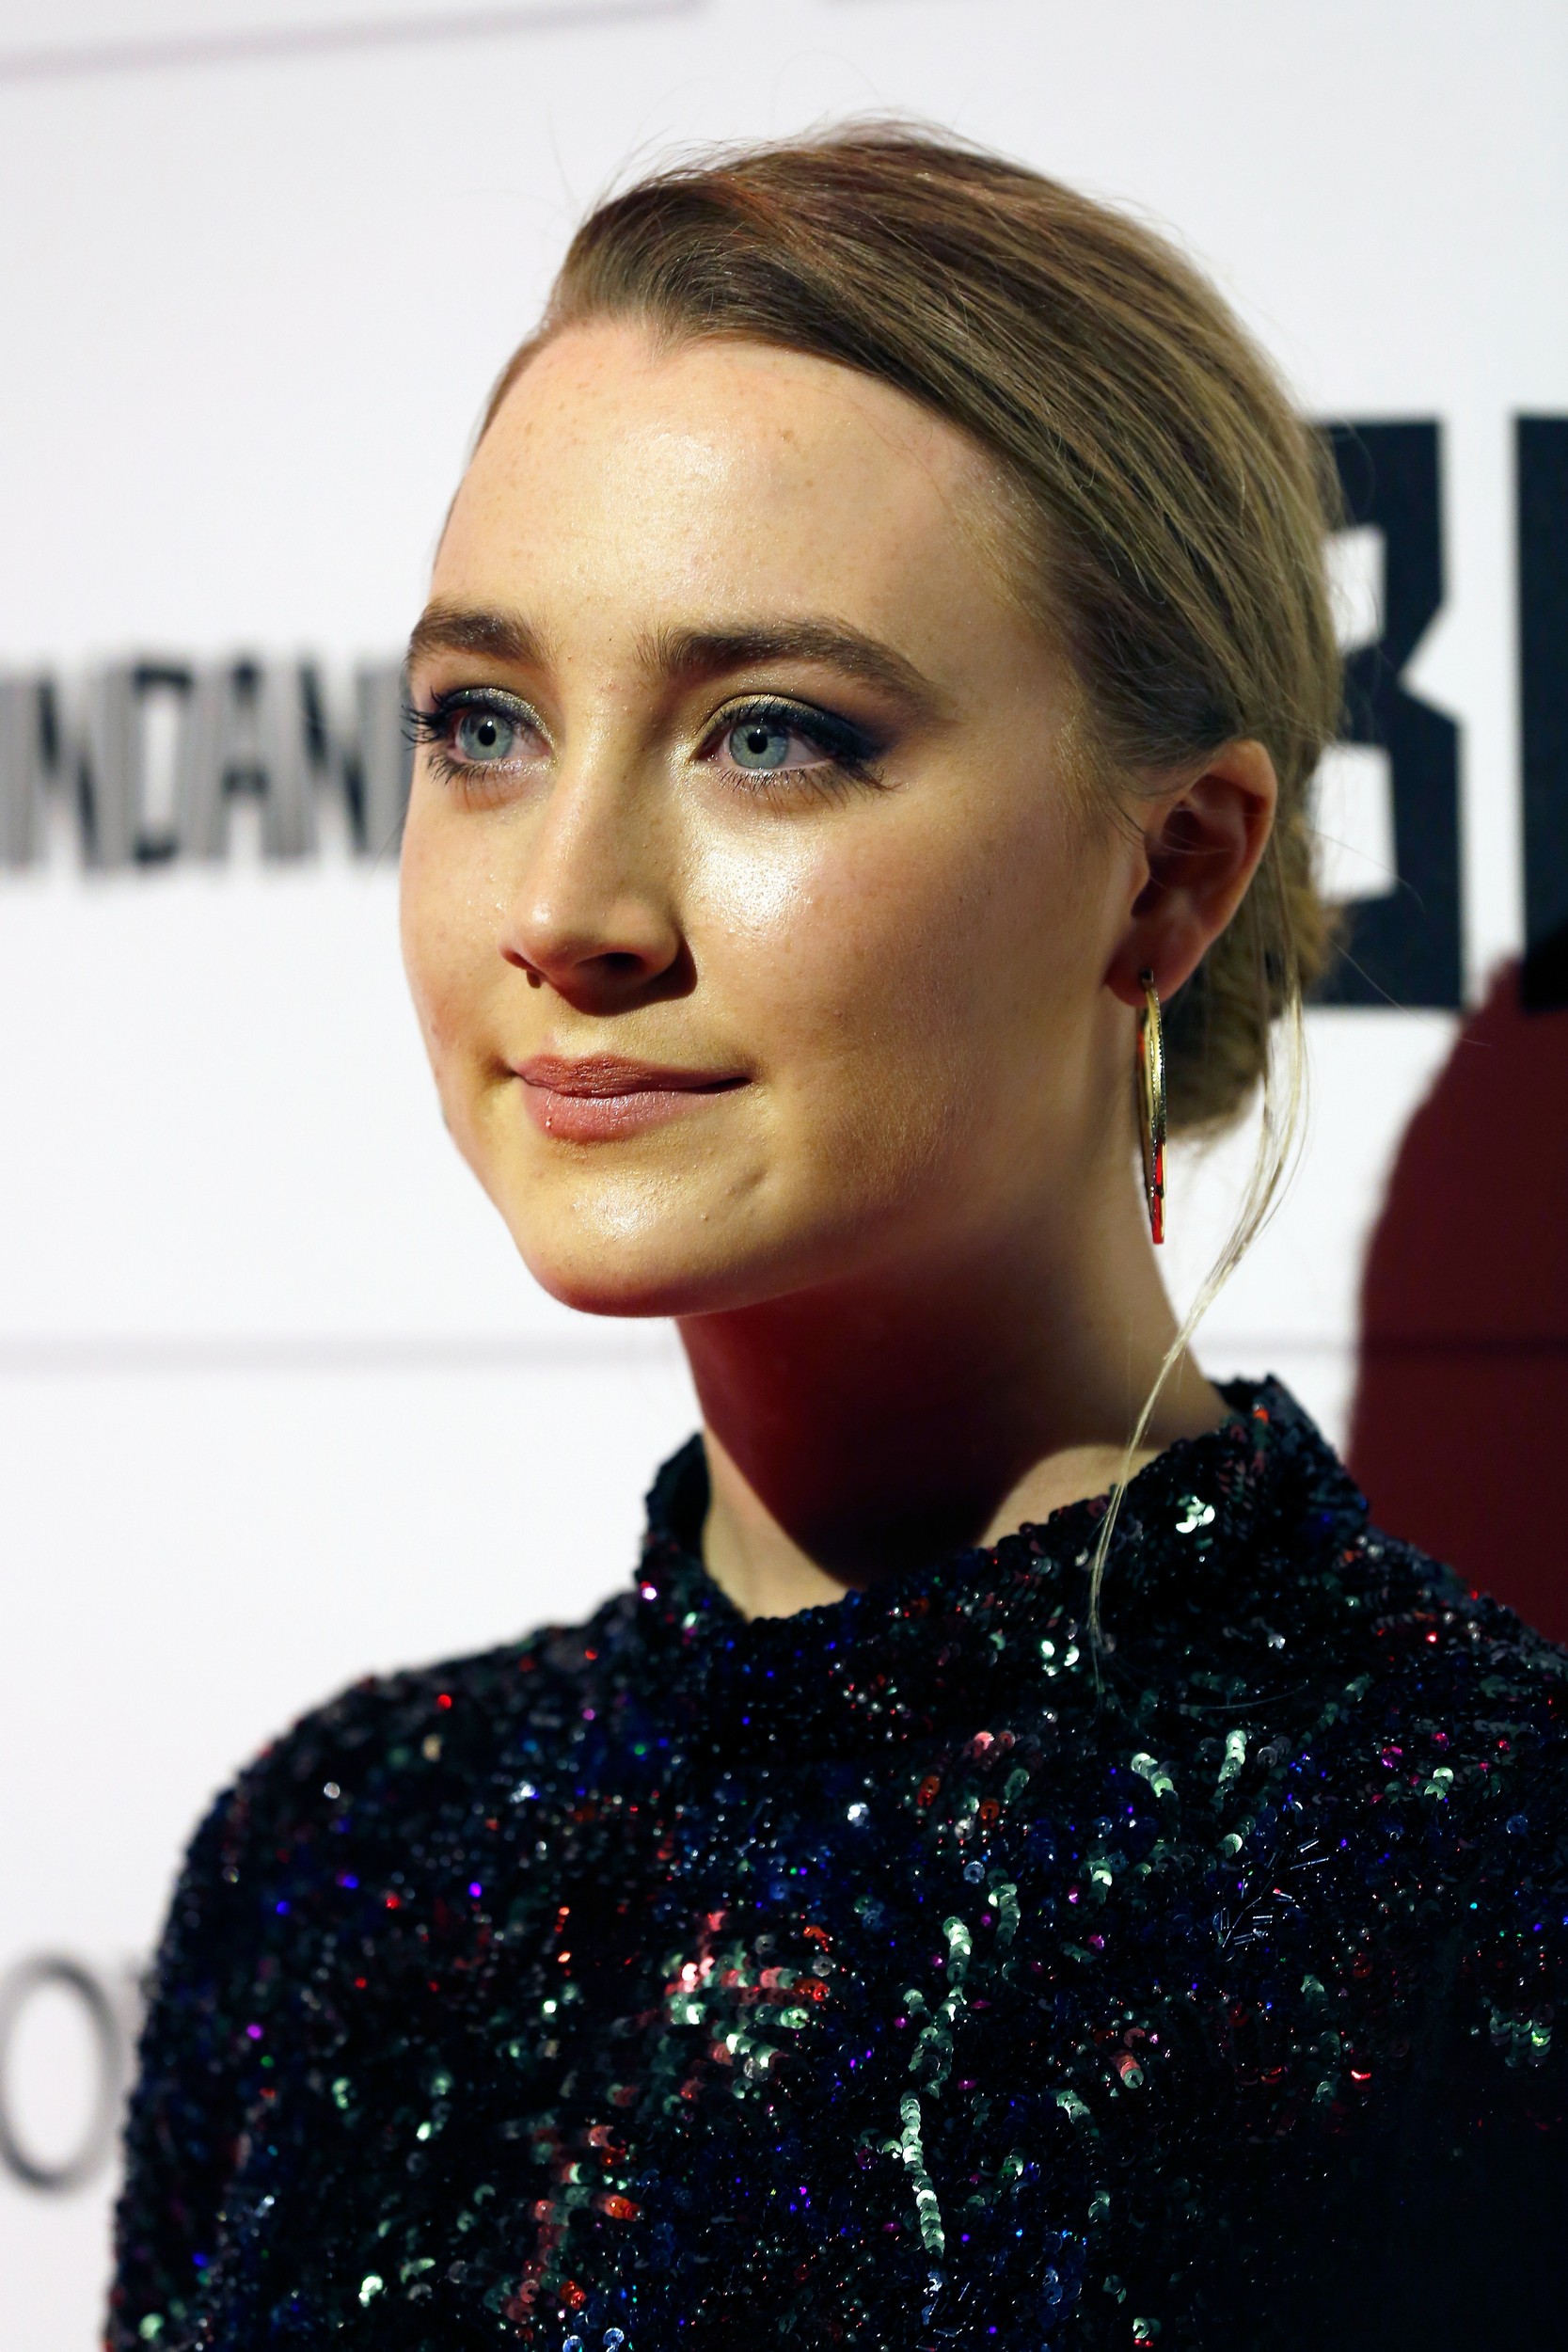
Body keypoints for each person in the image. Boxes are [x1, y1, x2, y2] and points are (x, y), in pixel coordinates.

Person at [109, 129, 1566, 2351]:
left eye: (770, 735)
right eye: (485, 724)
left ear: (1172, 868)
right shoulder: (334, 1861)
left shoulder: (1485, 1885)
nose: (566, 906)